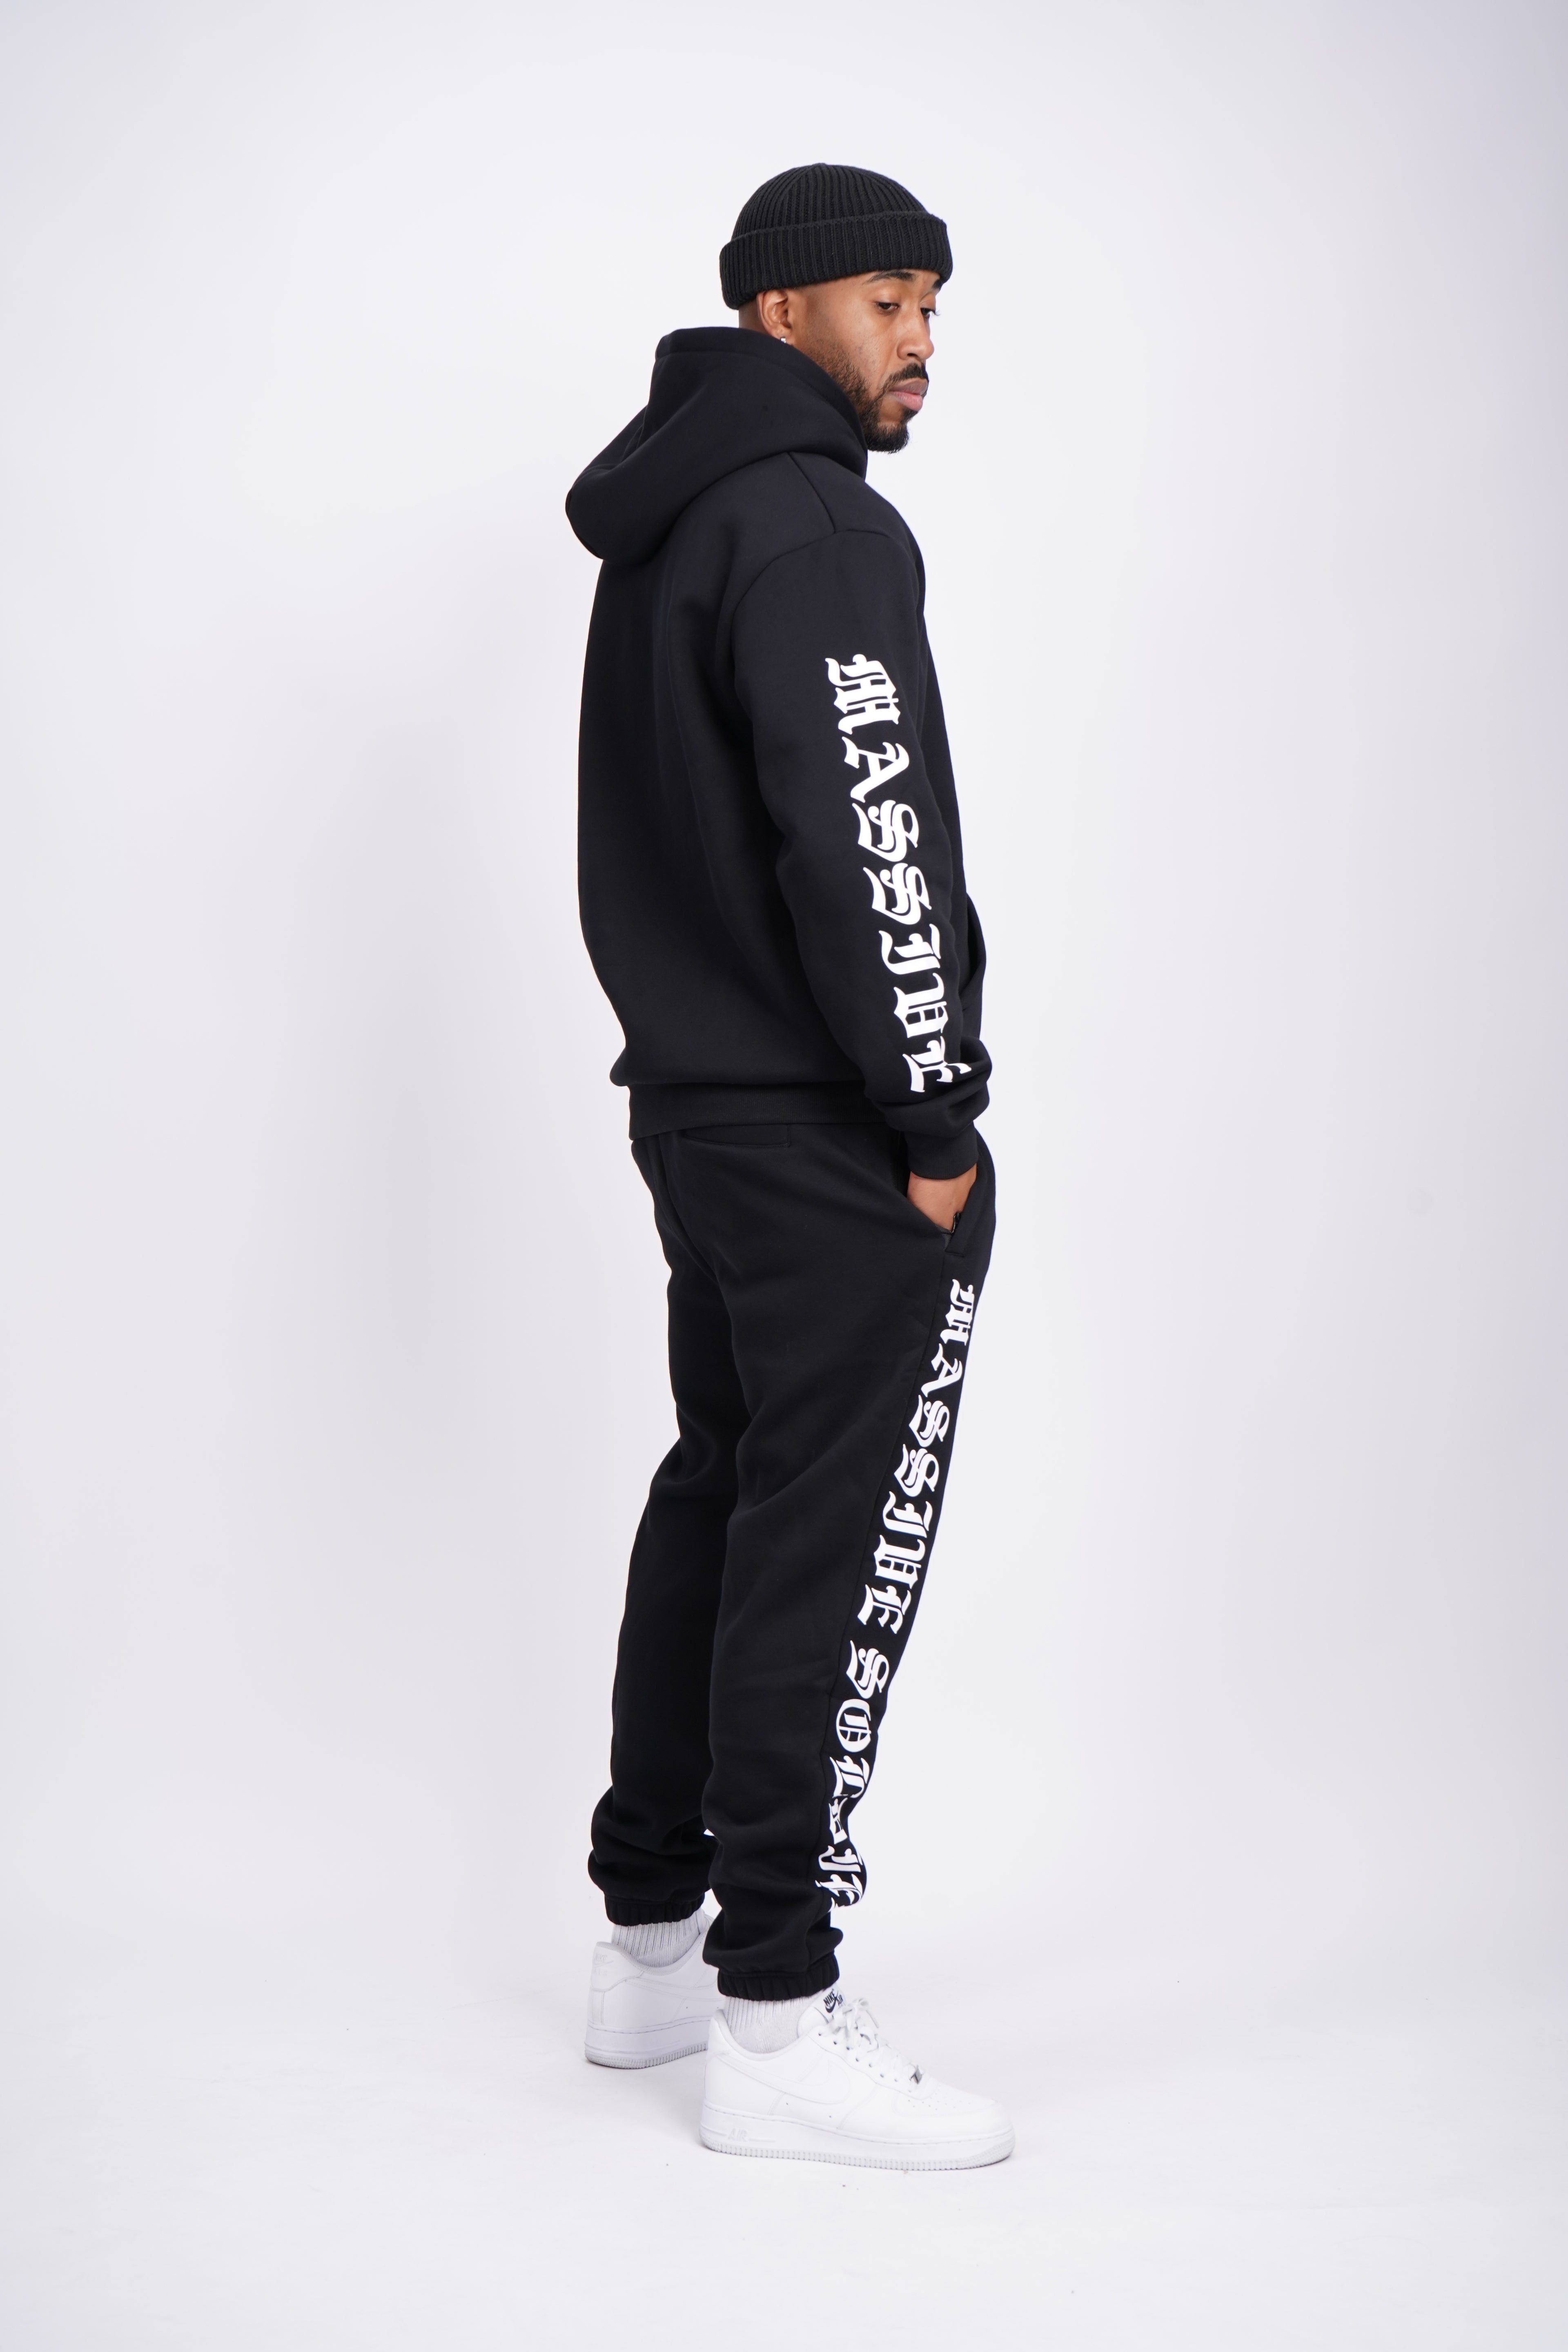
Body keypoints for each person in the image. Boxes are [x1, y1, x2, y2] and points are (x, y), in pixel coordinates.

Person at [566, 163, 1010, 2168]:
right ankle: (773, 2012)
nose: (919, 340)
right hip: (829, 1127)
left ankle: (654, 1948)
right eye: (886, 302)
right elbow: (871, 838)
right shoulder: (816, 525)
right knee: (828, 1549)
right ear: (780, 313)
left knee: (726, 1494)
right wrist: (934, 1116)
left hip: (696, 1100)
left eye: (931, 305)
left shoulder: (674, 521)